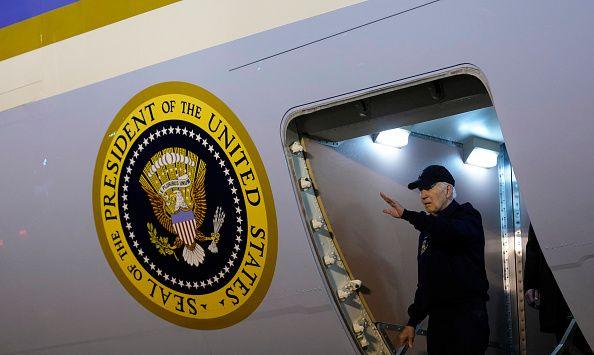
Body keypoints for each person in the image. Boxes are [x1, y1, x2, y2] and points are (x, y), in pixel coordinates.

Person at [380, 165, 490, 355]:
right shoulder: (427, 231)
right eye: (421, 190)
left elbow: (449, 230)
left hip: (467, 320)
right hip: (439, 322)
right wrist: (412, 322)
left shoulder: (468, 216)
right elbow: (426, 282)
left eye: (428, 187)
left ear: (448, 190)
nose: (423, 195)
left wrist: (408, 215)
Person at [524, 224, 593, 354]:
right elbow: (534, 244)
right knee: (566, 335)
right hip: (559, 282)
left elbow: (533, 244)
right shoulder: (543, 206)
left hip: (569, 281)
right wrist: (531, 284)